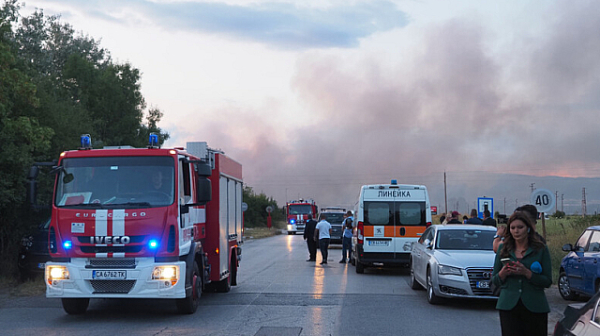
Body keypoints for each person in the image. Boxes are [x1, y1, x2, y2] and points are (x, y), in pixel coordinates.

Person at [491, 211, 552, 336]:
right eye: (513, 228)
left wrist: (527, 273)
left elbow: (547, 281)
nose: (516, 231)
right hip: (508, 306)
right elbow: (495, 280)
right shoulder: (503, 249)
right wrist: (503, 273)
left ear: (528, 229)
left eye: (520, 227)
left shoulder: (540, 249)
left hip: (535, 306)